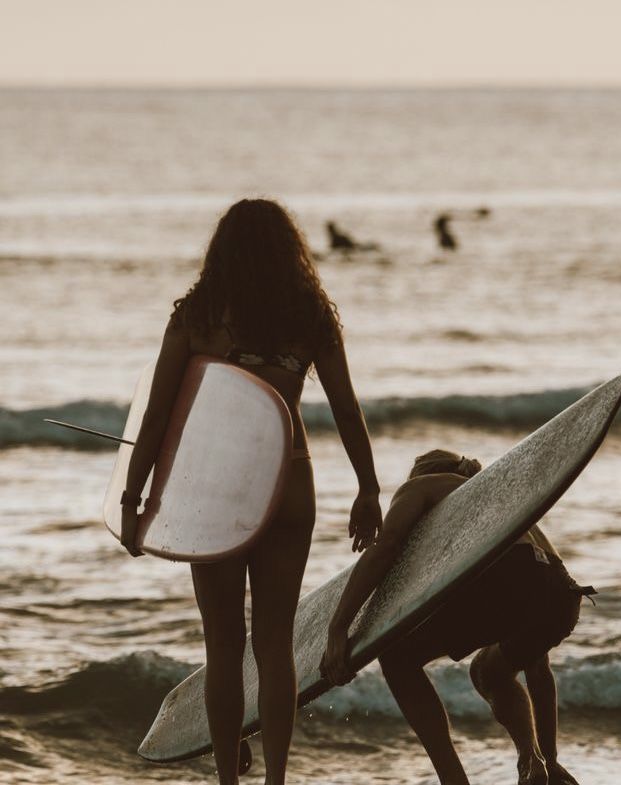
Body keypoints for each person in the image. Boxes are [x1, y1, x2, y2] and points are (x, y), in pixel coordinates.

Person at [119, 198, 383, 785]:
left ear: (223, 251)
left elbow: (158, 414)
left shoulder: (200, 314)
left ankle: (229, 783)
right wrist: (368, 488)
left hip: (218, 489)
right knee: (274, 643)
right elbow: (346, 408)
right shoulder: (310, 315)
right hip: (290, 480)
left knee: (223, 647)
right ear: (291, 253)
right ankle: (277, 779)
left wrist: (130, 500)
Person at [322, 449, 591, 785]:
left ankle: (453, 780)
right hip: (564, 594)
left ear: (420, 474)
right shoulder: (505, 503)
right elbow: (540, 670)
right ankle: (533, 760)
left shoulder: (422, 487)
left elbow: (387, 546)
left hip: (511, 576)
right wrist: (553, 760)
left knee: (396, 656)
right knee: (489, 670)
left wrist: (338, 627)